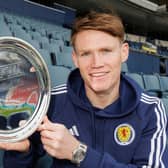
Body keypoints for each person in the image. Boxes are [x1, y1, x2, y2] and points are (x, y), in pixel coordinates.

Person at [1, 10, 168, 168]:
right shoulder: (51, 101)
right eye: (86, 54)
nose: (96, 63)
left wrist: (79, 153)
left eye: (106, 51)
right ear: (75, 59)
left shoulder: (150, 110)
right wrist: (22, 153)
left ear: (124, 53)